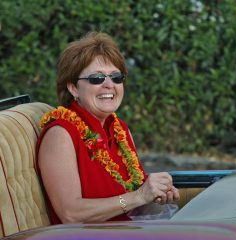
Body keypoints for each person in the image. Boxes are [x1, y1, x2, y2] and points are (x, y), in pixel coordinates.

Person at [37, 31, 180, 224]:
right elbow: (71, 214)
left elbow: (134, 198)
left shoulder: (120, 129)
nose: (109, 85)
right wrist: (138, 196)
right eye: (96, 78)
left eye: (116, 77)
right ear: (73, 88)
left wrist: (157, 193)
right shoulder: (61, 134)